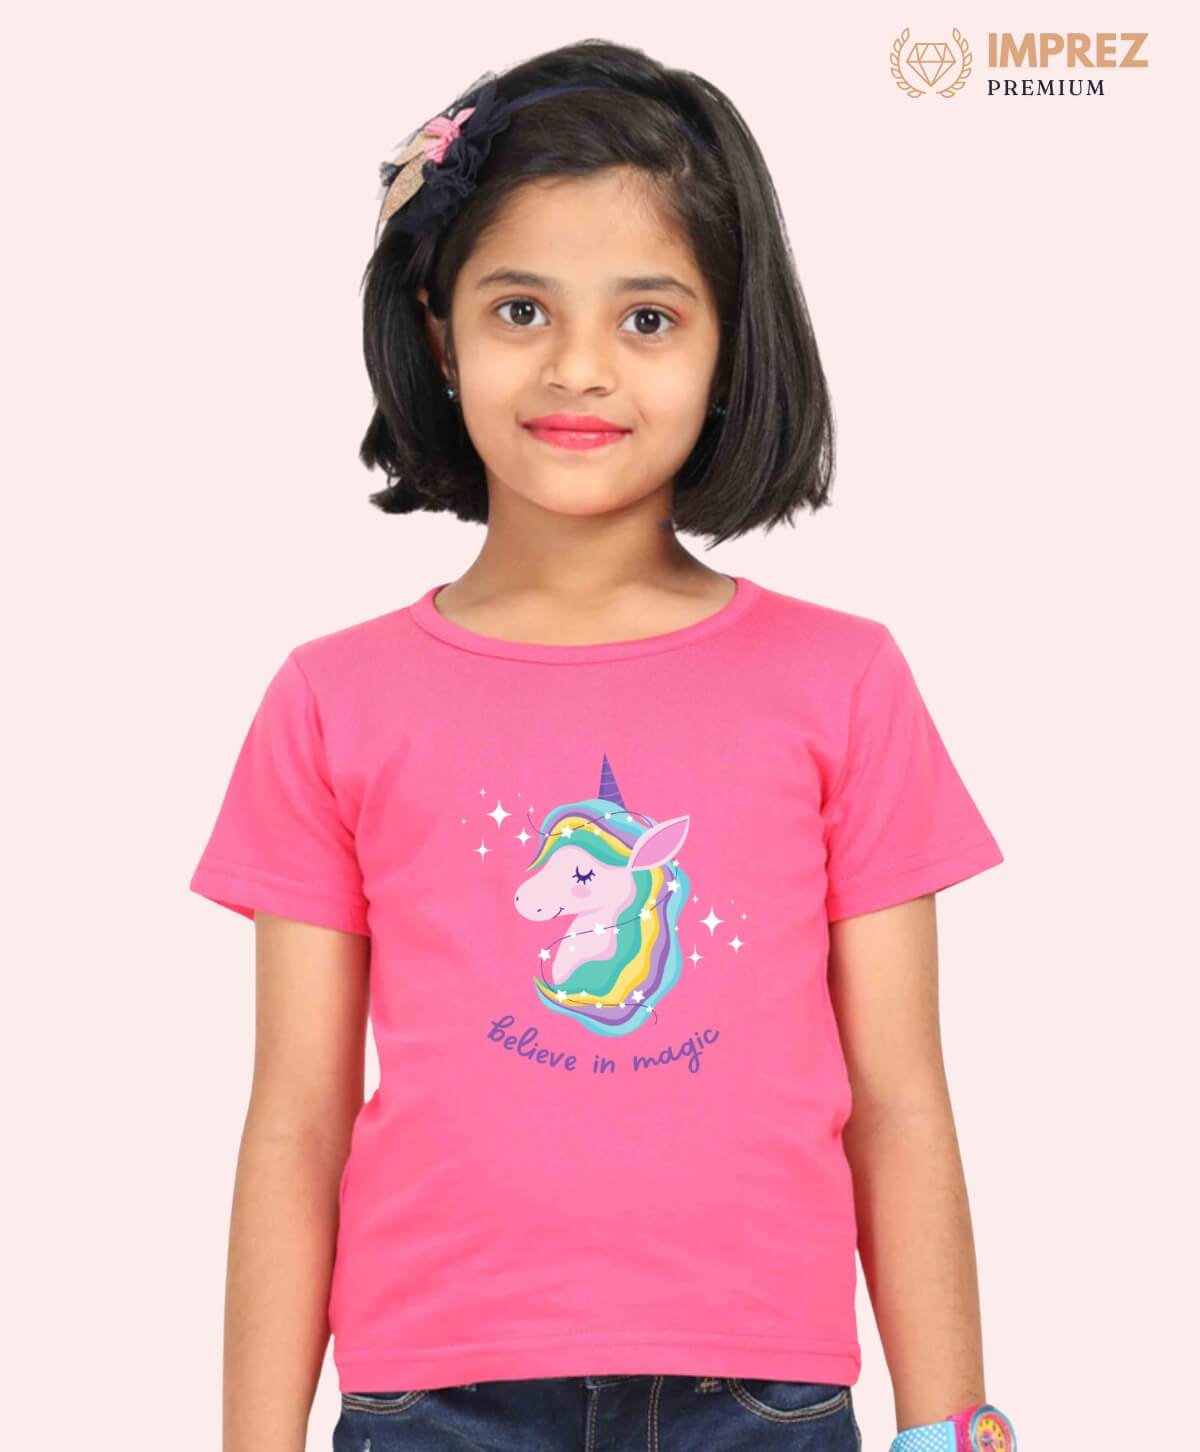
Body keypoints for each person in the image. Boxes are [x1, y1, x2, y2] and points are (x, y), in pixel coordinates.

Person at [190, 38, 1018, 1452]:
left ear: (729, 342)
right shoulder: (333, 699)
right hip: (434, 1403)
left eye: (647, 318)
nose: (579, 367)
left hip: (761, 1400)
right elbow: (296, 1122)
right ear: (439, 335)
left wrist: (950, 1428)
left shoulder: (845, 683)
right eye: (521, 309)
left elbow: (899, 1100)